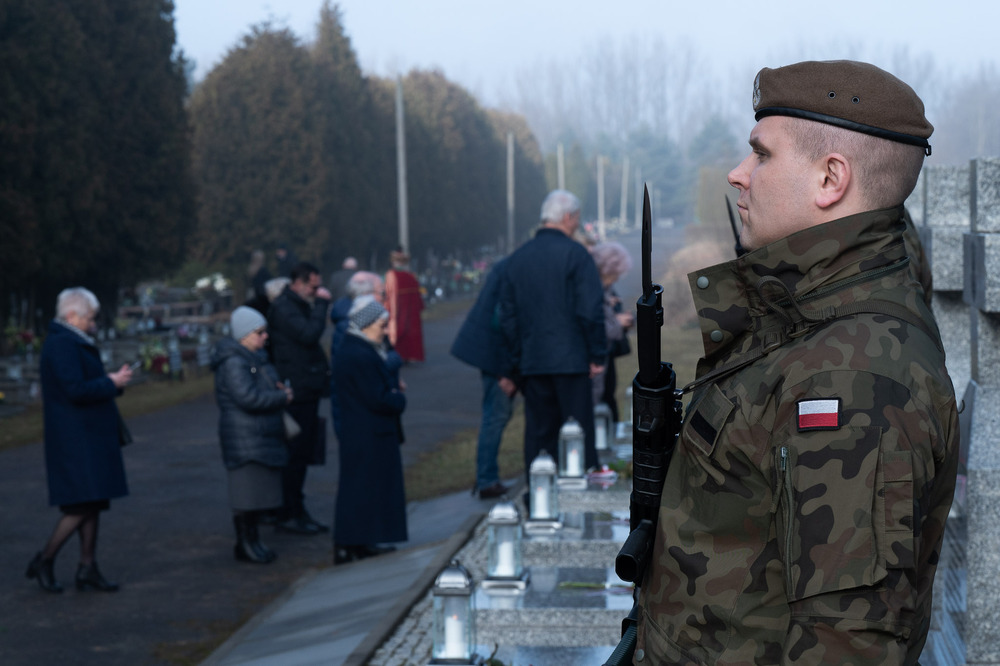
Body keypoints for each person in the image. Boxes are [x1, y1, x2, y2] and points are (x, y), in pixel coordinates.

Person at [634, 60, 959, 664]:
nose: (738, 175)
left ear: (830, 178)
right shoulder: (807, 316)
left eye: (761, 155)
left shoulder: (851, 380)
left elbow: (846, 644)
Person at [27, 287, 134, 593]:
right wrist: (110, 383)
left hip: (86, 433)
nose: (93, 323)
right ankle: (45, 559)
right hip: (76, 435)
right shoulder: (62, 344)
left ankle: (87, 566)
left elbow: (83, 385)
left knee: (93, 501)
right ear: (71, 316)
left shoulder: (71, 341)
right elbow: (75, 389)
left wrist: (111, 382)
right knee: (79, 505)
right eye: (89, 318)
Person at [499, 190, 607, 477]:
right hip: (571, 360)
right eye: (577, 219)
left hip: (533, 360)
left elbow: (508, 318)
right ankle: (580, 497)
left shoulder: (518, 258)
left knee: (539, 434)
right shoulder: (576, 255)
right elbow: (589, 309)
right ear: (569, 217)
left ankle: (538, 497)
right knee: (577, 432)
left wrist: (516, 360)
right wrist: (597, 353)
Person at [210, 307, 293, 564]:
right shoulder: (235, 362)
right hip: (244, 432)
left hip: (255, 433)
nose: (264, 336)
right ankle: (245, 543)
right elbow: (247, 397)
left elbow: (258, 380)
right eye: (259, 332)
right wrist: (281, 397)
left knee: (254, 493)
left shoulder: (251, 360)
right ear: (245, 335)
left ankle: (252, 541)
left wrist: (275, 387)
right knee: (245, 494)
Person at [331, 295, 407, 564]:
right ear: (366, 324)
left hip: (363, 431)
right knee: (360, 489)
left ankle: (359, 541)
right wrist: (397, 396)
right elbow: (379, 398)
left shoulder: (355, 350)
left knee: (364, 489)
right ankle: (351, 542)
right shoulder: (360, 355)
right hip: (367, 432)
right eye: (381, 325)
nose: (385, 332)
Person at [267, 262, 332, 535]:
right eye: (313, 287)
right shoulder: (285, 308)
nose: (317, 292)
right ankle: (289, 510)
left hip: (306, 385)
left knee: (302, 452)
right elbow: (308, 335)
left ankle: (293, 508)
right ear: (298, 283)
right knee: (295, 453)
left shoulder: (293, 305)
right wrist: (321, 306)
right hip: (298, 388)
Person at [450, 257, 516, 499]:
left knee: (496, 415)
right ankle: (487, 479)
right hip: (497, 363)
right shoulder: (509, 280)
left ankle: (486, 478)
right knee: (495, 416)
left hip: (492, 358)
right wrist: (505, 372)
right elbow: (502, 329)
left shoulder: (503, 272)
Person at [588, 242, 634, 422]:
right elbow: (593, 324)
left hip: (603, 356)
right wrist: (618, 322)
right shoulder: (592, 288)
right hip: (595, 359)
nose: (617, 278)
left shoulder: (601, 287)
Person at [384, 248, 425, 363]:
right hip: (410, 311)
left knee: (396, 332)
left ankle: (397, 355)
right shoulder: (411, 276)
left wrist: (386, 306)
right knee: (408, 332)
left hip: (396, 309)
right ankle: (407, 356)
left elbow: (388, 294)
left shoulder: (391, 275)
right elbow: (418, 298)